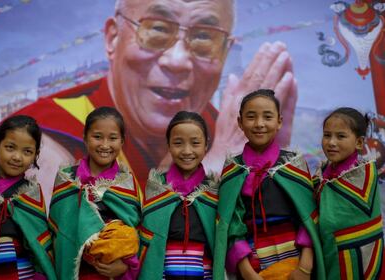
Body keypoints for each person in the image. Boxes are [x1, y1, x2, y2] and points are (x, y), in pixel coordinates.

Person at [0, 0, 298, 203]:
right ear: (113, 38)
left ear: (226, 53)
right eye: (157, 29)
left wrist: (267, 167)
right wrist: (216, 167)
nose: (178, 60)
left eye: (203, 37)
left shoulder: (223, 128)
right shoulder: (46, 138)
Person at [213, 89, 324, 280]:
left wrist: (305, 267)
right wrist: (247, 273)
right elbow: (230, 227)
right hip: (253, 269)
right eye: (251, 117)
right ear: (240, 122)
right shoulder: (233, 170)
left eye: (267, 116)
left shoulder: (293, 164)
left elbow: (309, 218)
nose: (259, 124)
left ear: (279, 121)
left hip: (297, 267)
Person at [49, 107, 140, 280]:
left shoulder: (127, 182)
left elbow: (135, 232)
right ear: (84, 138)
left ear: (122, 141)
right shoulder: (67, 179)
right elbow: (58, 232)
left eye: (113, 138)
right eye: (97, 137)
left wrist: (124, 267)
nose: (105, 145)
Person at [0, 115, 56, 280]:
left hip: (24, 275)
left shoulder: (31, 194)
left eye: (27, 151)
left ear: (35, 156)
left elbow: (39, 244)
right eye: (10, 147)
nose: (17, 157)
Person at [139, 111, 218, 279]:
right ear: (168, 145)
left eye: (195, 143)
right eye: (178, 143)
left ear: (206, 145)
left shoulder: (215, 192)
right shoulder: (155, 189)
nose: (187, 151)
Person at [314, 107, 383, 279]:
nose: (331, 142)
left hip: (361, 260)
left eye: (341, 136)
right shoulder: (321, 174)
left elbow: (335, 220)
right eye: (327, 135)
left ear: (359, 143)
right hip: (329, 256)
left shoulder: (364, 176)